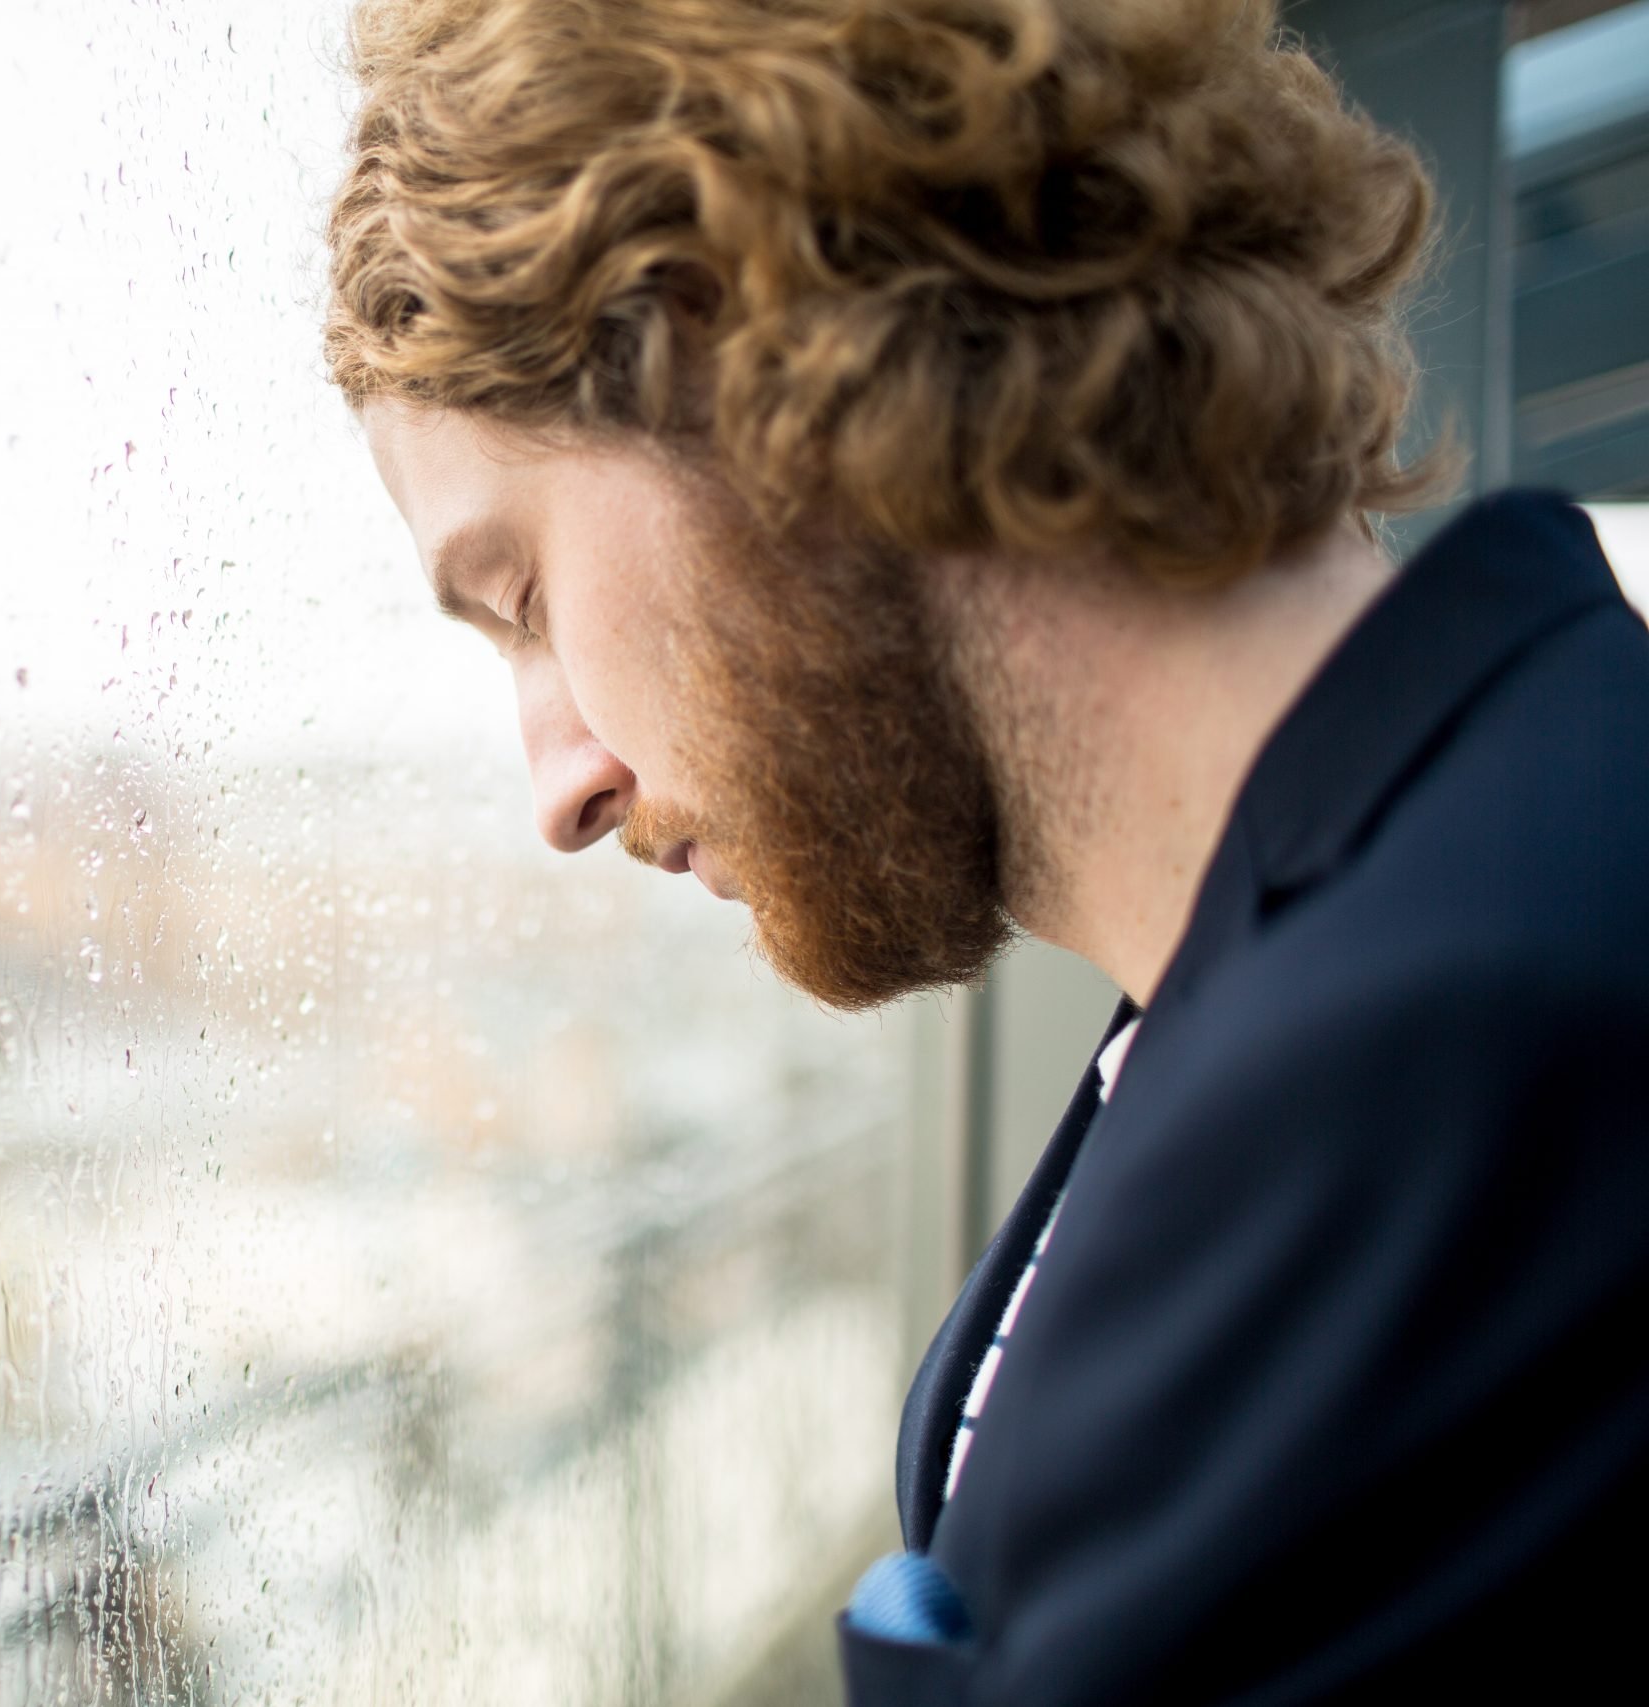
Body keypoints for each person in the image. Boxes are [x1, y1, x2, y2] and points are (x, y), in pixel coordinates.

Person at [321, 0, 1649, 1699]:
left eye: (522, 597)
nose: (561, 785)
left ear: (751, 338)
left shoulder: (1451, 1068)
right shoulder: (1400, 901)